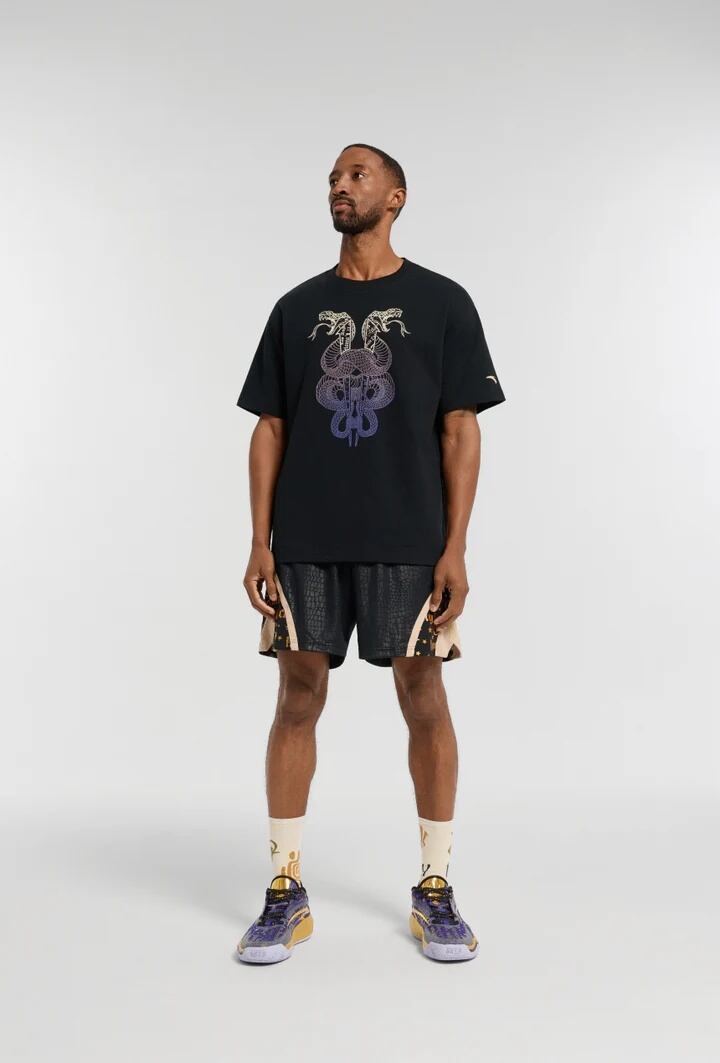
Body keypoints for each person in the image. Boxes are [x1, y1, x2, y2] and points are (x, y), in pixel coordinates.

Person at [234, 143, 506, 964]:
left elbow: (461, 428)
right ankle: (284, 888)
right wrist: (258, 540)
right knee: (297, 697)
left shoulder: (443, 302)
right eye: (333, 177)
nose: (339, 185)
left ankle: (436, 886)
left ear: (396, 197)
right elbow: (270, 425)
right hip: (307, 540)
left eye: (357, 175)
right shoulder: (295, 307)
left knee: (423, 694)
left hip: (409, 538)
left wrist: (455, 547)